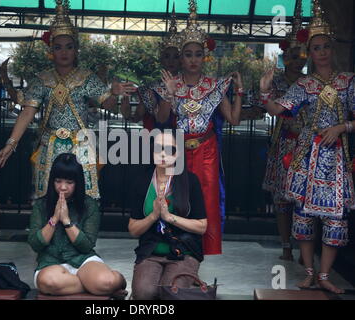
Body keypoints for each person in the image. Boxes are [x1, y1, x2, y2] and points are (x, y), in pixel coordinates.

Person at [0, 0, 135, 200]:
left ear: (76, 50)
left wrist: (114, 92)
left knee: (84, 196)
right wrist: (10, 144)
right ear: (51, 51)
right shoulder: (42, 79)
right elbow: (27, 112)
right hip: (49, 145)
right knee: (46, 196)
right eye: (58, 47)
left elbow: (107, 105)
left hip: (80, 145)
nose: (64, 52)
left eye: (69, 47)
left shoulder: (87, 77)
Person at [259, 0, 355, 294]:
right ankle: (309, 272)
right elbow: (281, 110)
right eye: (316, 48)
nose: (322, 52)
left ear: (332, 49)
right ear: (310, 53)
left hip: (336, 158)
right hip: (305, 156)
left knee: (334, 218)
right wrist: (264, 93)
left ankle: (325, 274)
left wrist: (342, 127)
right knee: (303, 215)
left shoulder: (348, 82)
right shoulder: (303, 85)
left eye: (326, 46)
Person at [158, 1, 243, 255]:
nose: (193, 59)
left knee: (207, 200)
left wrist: (238, 91)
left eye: (197, 54)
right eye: (188, 54)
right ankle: (178, 247)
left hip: (206, 149)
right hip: (179, 151)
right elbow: (162, 118)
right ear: (181, 57)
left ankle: (203, 252)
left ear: (204, 56)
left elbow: (234, 120)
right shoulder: (172, 84)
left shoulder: (215, 86)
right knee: (178, 198)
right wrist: (169, 94)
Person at [28, 153, 126, 295]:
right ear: (52, 181)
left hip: (83, 260)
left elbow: (86, 245)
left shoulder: (89, 205)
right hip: (50, 262)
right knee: (49, 282)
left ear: (78, 183)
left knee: (107, 281)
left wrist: (67, 221)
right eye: (58, 181)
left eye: (69, 182)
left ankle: (112, 282)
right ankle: (94, 287)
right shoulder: (40, 205)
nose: (63, 187)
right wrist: (54, 219)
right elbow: (35, 244)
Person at [129, 130, 207, 300]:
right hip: (151, 252)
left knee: (170, 293)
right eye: (158, 148)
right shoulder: (142, 181)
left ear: (178, 152)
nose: (163, 154)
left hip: (183, 252)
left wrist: (169, 217)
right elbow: (133, 229)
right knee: (143, 294)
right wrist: (153, 215)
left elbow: (202, 226)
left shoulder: (190, 181)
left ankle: (187, 281)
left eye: (170, 149)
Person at [261, 0, 308, 261]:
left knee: (303, 197)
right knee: (282, 199)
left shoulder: (309, 82)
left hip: (307, 144)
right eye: (291, 56)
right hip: (283, 143)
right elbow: (267, 106)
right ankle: (286, 245)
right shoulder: (276, 81)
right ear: (284, 56)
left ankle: (305, 247)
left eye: (301, 57)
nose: (295, 61)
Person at [120, 6, 179, 130]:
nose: (171, 61)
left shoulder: (190, 86)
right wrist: (125, 105)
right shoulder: (150, 88)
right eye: (167, 56)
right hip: (156, 141)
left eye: (176, 57)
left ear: (182, 60)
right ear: (161, 59)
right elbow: (135, 118)